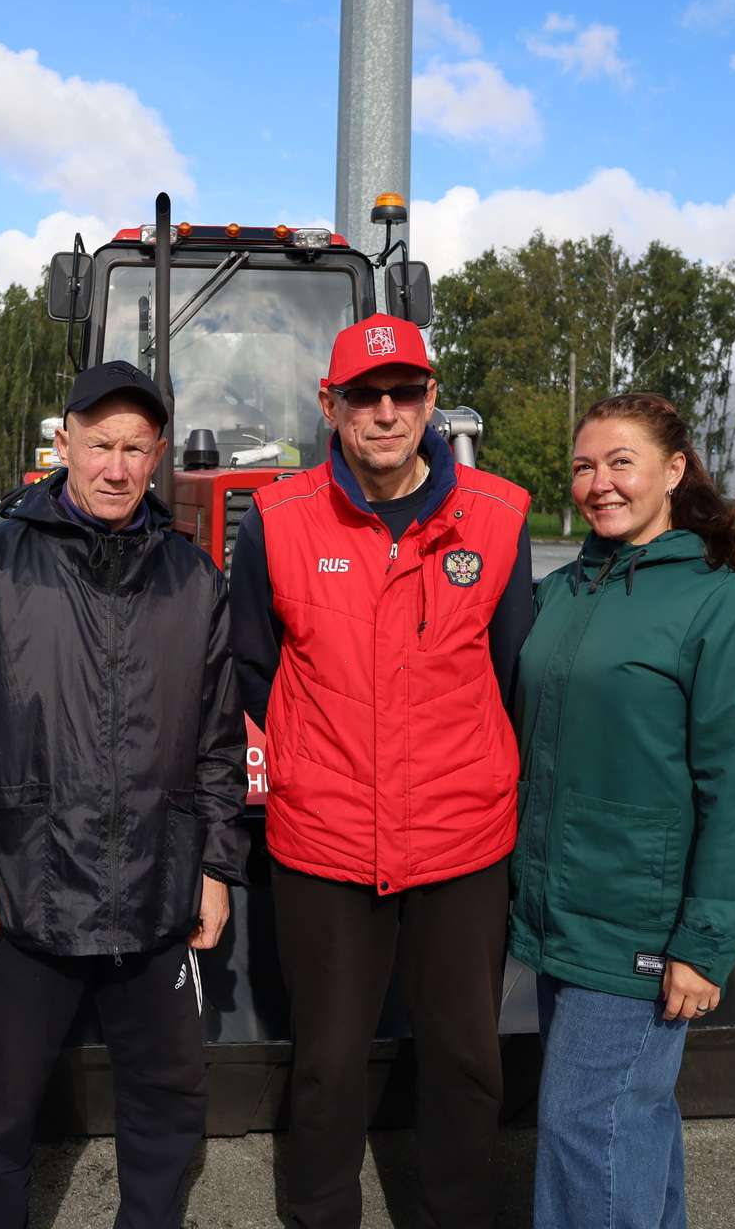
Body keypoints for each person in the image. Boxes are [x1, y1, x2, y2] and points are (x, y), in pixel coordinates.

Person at [0, 359, 249, 1229]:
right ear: (65, 442)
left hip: (156, 895)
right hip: (26, 897)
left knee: (167, 1110)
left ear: (157, 454)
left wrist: (215, 867)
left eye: (136, 448)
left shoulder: (194, 581)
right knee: (0, 1115)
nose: (117, 467)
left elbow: (216, 743)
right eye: (100, 444)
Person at [229, 314, 533, 1228]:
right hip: (324, 841)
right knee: (325, 1061)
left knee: (467, 1060)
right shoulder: (277, 522)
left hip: (462, 841)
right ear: (333, 406)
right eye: (366, 395)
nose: (388, 412)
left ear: (432, 400)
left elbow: (515, 676)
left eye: (405, 393)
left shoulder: (500, 516)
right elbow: (253, 671)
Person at [512, 392, 735, 1229]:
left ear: (673, 470)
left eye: (621, 462)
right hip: (567, 917)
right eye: (586, 466)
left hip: (642, 926)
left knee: (583, 1130)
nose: (600, 484)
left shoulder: (719, 603)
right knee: (630, 1125)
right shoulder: (563, 593)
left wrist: (703, 947)